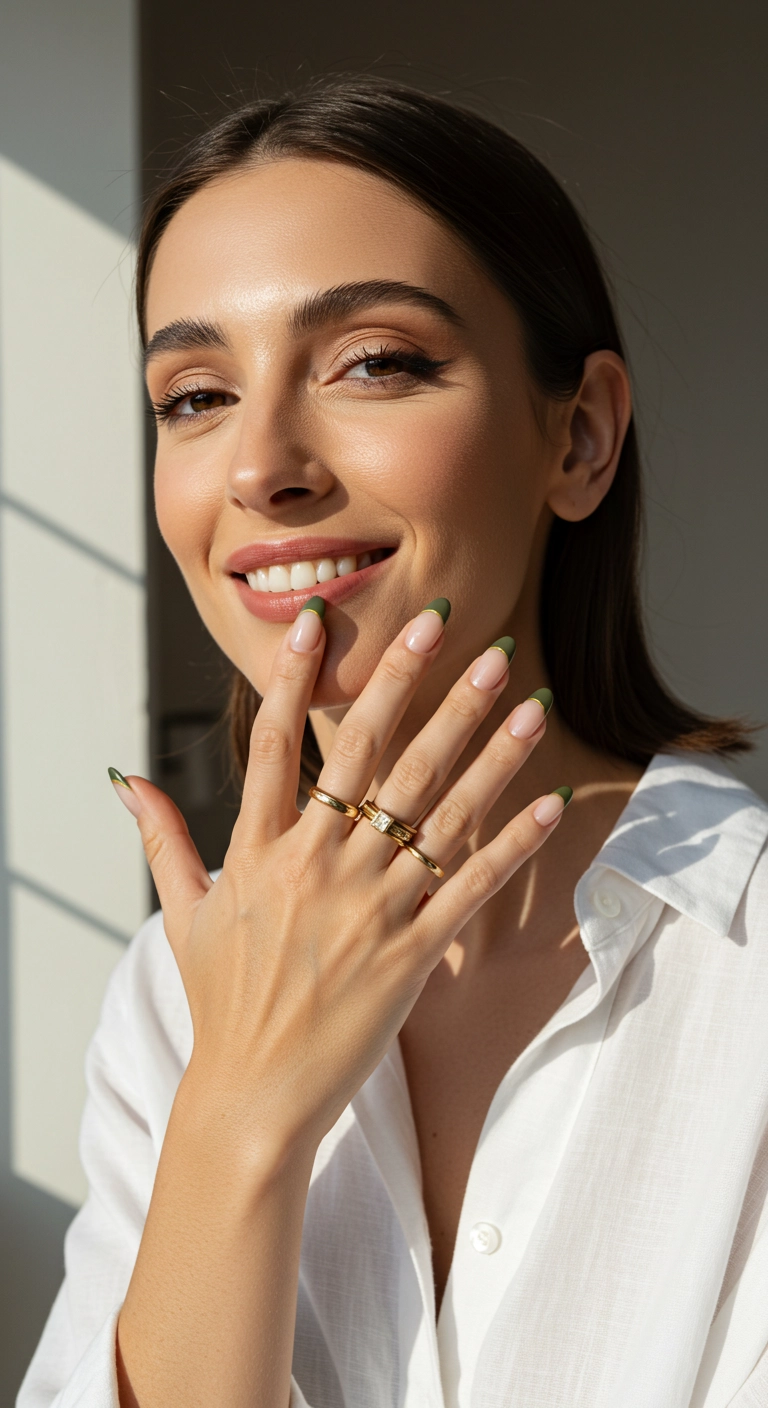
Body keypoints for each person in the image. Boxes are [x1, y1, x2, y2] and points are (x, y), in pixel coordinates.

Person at [18, 79, 768, 1408]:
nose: (260, 466)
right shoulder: (173, 994)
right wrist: (238, 1110)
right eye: (194, 393)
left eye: (372, 361)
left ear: (580, 436)